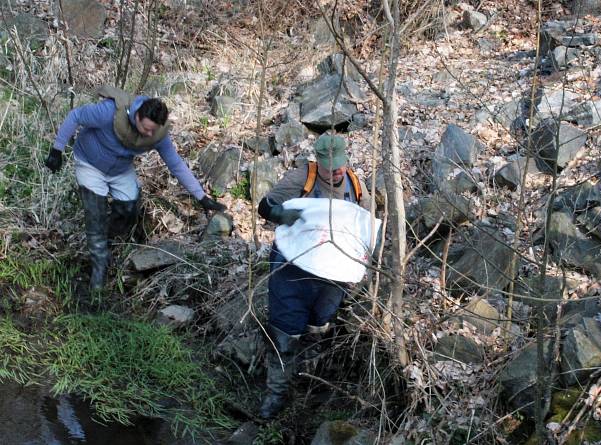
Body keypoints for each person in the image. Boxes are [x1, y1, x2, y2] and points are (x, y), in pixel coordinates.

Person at [45, 86, 225, 291]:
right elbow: (76, 115)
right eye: (145, 128)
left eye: (152, 130)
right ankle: (98, 273)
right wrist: (57, 150)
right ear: (136, 116)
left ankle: (108, 245)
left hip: (120, 170)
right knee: (95, 214)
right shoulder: (108, 112)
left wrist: (201, 196)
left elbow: (175, 164)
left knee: (129, 208)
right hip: (90, 163)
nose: (148, 133)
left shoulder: (158, 135)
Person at [256, 134, 371, 419]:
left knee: (319, 327)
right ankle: (276, 395)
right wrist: (284, 215)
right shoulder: (301, 179)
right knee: (285, 332)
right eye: (330, 167)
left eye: (340, 165)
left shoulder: (357, 186)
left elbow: (366, 229)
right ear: (317, 162)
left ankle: (307, 387)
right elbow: (265, 206)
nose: (336, 171)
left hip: (332, 274)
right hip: (292, 269)